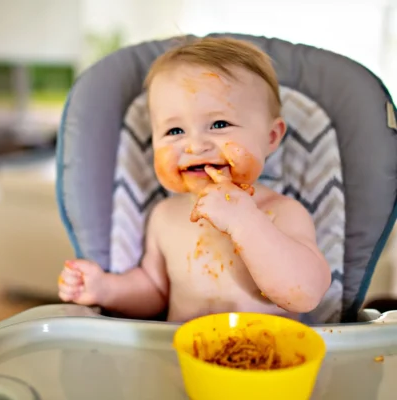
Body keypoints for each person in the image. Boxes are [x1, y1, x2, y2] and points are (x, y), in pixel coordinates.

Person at [58, 37, 331, 322]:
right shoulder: (165, 216)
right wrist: (106, 289)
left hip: (267, 359)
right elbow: (155, 291)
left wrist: (244, 221)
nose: (195, 146)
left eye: (219, 124)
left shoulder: (281, 212)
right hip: (182, 360)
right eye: (175, 131)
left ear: (271, 137)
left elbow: (305, 294)